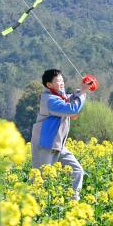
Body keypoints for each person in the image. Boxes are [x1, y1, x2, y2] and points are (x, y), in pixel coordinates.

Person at [30, 68, 86, 200]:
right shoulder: (49, 100)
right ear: (49, 85)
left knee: (77, 171)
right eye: (57, 81)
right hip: (45, 146)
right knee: (39, 181)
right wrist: (82, 94)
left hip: (58, 145)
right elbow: (71, 108)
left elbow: (71, 99)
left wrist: (83, 90)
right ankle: (31, 211)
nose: (61, 83)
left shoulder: (60, 97)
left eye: (62, 80)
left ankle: (73, 202)